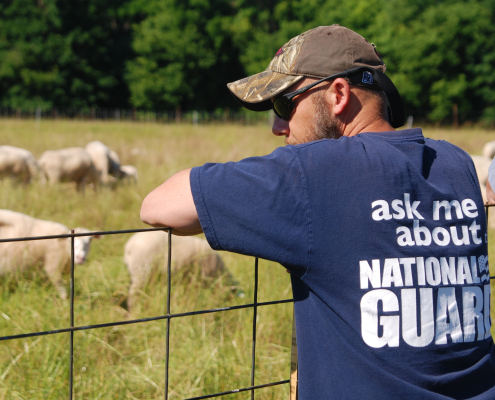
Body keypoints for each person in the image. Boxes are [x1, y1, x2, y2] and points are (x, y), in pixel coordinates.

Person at [141, 25, 495, 399]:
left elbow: (159, 207)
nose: (279, 127)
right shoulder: (456, 163)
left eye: (284, 105)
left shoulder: (315, 172)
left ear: (338, 94)